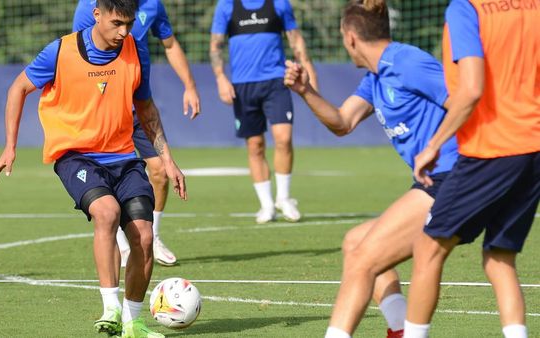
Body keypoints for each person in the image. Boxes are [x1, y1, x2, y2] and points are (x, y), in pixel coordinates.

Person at [0, 1, 187, 337]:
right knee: (106, 212)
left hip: (123, 158)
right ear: (97, 14)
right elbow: (18, 88)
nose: (124, 32)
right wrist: (10, 145)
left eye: (129, 24)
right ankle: (109, 309)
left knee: (145, 236)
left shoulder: (133, 51)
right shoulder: (60, 51)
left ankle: (132, 323)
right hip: (76, 157)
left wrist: (167, 159)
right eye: (117, 23)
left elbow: (146, 107)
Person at [284, 1, 459, 337]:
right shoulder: (376, 79)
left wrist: (437, 147)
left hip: (451, 178)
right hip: (431, 182)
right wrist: (305, 90)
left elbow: (463, 98)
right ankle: (399, 330)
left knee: (364, 257)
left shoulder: (406, 61)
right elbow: (341, 122)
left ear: (351, 38)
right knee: (356, 242)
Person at [404, 0, 540, 337]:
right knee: (499, 257)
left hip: (491, 148)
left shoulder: (466, 9)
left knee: (428, 246)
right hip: (534, 146)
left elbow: (472, 89)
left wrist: (433, 145)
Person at [73, 0, 201, 267]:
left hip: (139, 107)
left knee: (160, 172)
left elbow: (170, 43)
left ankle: (151, 237)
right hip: (105, 108)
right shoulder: (90, 6)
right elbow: (79, 53)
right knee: (109, 176)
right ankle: (121, 241)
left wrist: (189, 85)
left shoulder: (153, 5)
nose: (124, 30)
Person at [210, 0, 318, 224]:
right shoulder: (227, 5)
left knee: (284, 139)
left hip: (276, 82)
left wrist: (307, 69)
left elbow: (295, 39)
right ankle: (267, 205)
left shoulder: (279, 3)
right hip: (243, 86)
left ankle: (284, 198)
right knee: (255, 145)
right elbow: (216, 46)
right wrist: (221, 78)